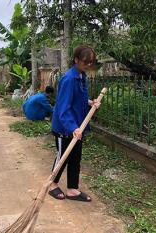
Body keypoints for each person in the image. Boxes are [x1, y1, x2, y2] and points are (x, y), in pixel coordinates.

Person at [48, 45, 100, 202]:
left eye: (91, 62)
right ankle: (52, 184)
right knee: (63, 156)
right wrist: (72, 127)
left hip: (78, 127)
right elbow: (63, 108)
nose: (88, 65)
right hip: (65, 127)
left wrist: (90, 102)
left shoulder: (81, 76)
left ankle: (72, 189)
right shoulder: (69, 79)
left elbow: (78, 99)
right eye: (85, 62)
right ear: (76, 60)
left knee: (76, 157)